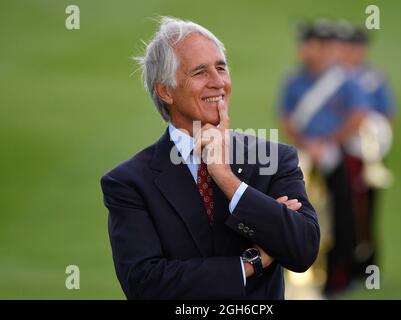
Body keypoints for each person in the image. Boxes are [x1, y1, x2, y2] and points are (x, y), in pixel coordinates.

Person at [100, 17, 320, 300]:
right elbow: (146, 285)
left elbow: (302, 249)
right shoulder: (129, 182)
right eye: (200, 72)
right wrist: (249, 264)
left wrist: (228, 180)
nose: (218, 83)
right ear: (165, 90)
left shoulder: (274, 157)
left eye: (221, 68)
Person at [277, 20, 370, 296]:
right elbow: (286, 116)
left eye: (310, 45)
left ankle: (336, 277)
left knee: (341, 217)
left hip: (333, 155)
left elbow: (358, 115)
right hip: (304, 155)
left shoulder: (345, 80)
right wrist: (307, 143)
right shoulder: (294, 80)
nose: (304, 50)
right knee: (299, 211)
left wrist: (329, 141)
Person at [336, 23, 396, 280]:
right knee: (340, 208)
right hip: (340, 154)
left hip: (367, 155)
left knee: (367, 208)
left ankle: (367, 264)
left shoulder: (374, 78)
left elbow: (386, 115)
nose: (353, 52)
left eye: (358, 46)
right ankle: (341, 262)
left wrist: (376, 144)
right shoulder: (333, 78)